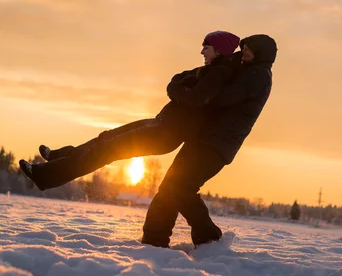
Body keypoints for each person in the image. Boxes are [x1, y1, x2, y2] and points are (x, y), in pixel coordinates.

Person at [19, 30, 241, 191]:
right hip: (161, 124)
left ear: (219, 50)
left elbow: (193, 99)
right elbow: (178, 79)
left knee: (106, 149)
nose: (202, 50)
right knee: (105, 139)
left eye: (206, 46)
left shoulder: (218, 75)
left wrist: (176, 89)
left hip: (167, 133)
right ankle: (59, 156)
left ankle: (43, 176)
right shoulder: (209, 71)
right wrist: (177, 86)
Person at [141, 34, 277, 248]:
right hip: (204, 139)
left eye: (249, 49)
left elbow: (220, 98)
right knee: (171, 186)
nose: (244, 53)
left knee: (179, 187)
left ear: (262, 53)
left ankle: (208, 239)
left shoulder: (258, 75)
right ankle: (154, 239)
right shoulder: (248, 72)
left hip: (216, 144)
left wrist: (188, 90)